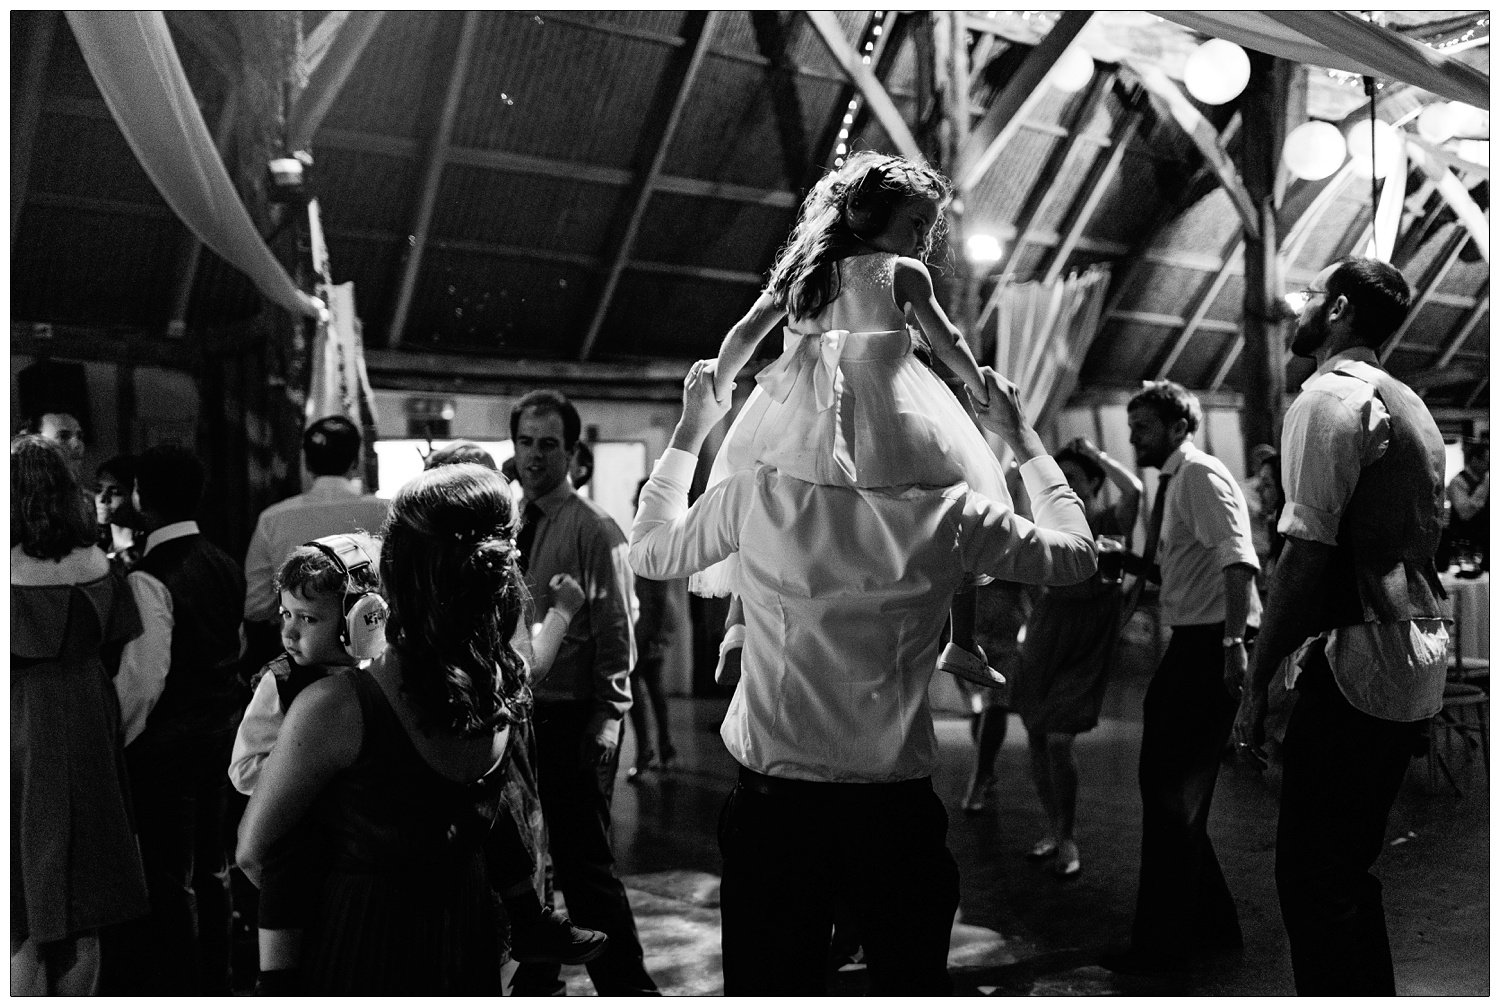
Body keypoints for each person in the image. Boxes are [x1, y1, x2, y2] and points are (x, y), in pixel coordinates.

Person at [631, 360, 1095, 995]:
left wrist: (690, 431)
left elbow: (649, 550)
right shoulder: (953, 512)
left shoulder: (755, 496)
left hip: (777, 816)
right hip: (894, 819)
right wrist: (1023, 439)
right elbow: (1076, 556)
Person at [236, 464, 606, 992]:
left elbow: (254, 852)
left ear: (394, 570)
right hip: (465, 930)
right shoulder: (502, 679)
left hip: (363, 940)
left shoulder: (337, 706)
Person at [698, 150, 1010, 692]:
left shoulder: (803, 272)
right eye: (917, 223)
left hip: (795, 414)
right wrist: (981, 386)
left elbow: (746, 332)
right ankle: (962, 640)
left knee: (762, 500)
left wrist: (719, 382)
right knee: (956, 495)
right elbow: (947, 339)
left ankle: (740, 629)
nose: (924, 239)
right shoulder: (901, 274)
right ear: (870, 216)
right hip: (887, 408)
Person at [1233, 257, 1450, 995]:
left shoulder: (1329, 400)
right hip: (1415, 646)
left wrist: (1255, 683)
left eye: (1308, 298)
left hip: (1360, 650)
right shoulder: (1408, 402)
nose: (1296, 309)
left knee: (1311, 878)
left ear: (1341, 311)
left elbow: (1303, 562)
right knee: (1343, 871)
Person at [1104, 380, 1261, 976]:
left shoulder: (1197, 474)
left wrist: (1232, 647)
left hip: (1207, 645)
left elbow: (1238, 558)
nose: (1132, 438)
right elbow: (1186, 566)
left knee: (1170, 795)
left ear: (1175, 426)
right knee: (1173, 797)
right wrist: (1122, 561)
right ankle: (1213, 926)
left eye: (1141, 427)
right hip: (1192, 643)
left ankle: (1161, 947)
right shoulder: (1172, 482)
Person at [507, 390, 657, 996]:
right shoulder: (511, 522)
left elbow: (620, 629)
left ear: (572, 452)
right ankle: (538, 982)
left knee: (584, 865)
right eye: (525, 443)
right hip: (523, 717)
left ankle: (629, 988)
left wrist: (609, 714)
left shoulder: (595, 529)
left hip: (573, 716)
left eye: (548, 444)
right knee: (528, 861)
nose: (534, 457)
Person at [11, 435, 150, 995]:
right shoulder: (98, 564)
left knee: (23, 909)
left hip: (21, 724)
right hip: (90, 718)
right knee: (84, 903)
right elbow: (123, 649)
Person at [105, 445, 246, 994]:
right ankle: (220, 979)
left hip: (169, 746)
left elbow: (145, 679)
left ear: (143, 496)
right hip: (222, 735)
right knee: (215, 869)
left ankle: (183, 988)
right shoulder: (224, 562)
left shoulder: (149, 578)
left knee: (171, 879)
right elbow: (231, 647)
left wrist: (116, 741)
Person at [1014, 437, 1141, 878]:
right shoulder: (1047, 522)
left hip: (1088, 634)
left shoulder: (1107, 521)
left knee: (1059, 738)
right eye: (1059, 477)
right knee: (1035, 732)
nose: (1065, 484)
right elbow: (1025, 570)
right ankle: (1051, 827)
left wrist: (1098, 454)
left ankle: (1067, 834)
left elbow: (1136, 493)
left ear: (1091, 484)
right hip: (1048, 629)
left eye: (1074, 477)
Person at [243, 416, 391, 666]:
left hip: (301, 659)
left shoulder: (273, 518)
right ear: (356, 462)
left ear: (305, 462)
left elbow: (256, 607)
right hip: (376, 660)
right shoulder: (388, 512)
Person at [626, 479, 679, 781]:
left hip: (650, 620)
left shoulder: (652, 533)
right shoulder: (655, 530)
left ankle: (647, 749)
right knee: (652, 685)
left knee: (638, 682)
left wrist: (652, 633)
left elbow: (656, 593)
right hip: (649, 619)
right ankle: (662, 746)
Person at [1444, 437, 1488, 572]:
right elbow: (1464, 514)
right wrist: (1484, 487)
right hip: (1467, 535)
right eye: (1487, 461)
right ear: (1474, 460)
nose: (1489, 466)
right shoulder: (1457, 482)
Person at [94, 455, 142, 571]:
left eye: (115, 492)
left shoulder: (147, 551)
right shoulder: (94, 549)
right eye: (98, 490)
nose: (102, 499)